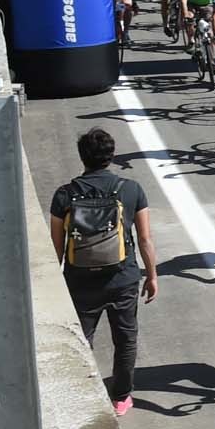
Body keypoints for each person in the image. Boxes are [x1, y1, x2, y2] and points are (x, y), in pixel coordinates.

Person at [47, 129, 158, 414]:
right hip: (123, 278)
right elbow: (145, 239)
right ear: (111, 156)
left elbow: (56, 248)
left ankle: (83, 396)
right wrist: (152, 275)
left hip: (80, 280)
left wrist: (56, 284)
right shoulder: (131, 189)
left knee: (82, 340)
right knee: (125, 338)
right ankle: (121, 397)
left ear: (82, 156)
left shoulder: (64, 195)